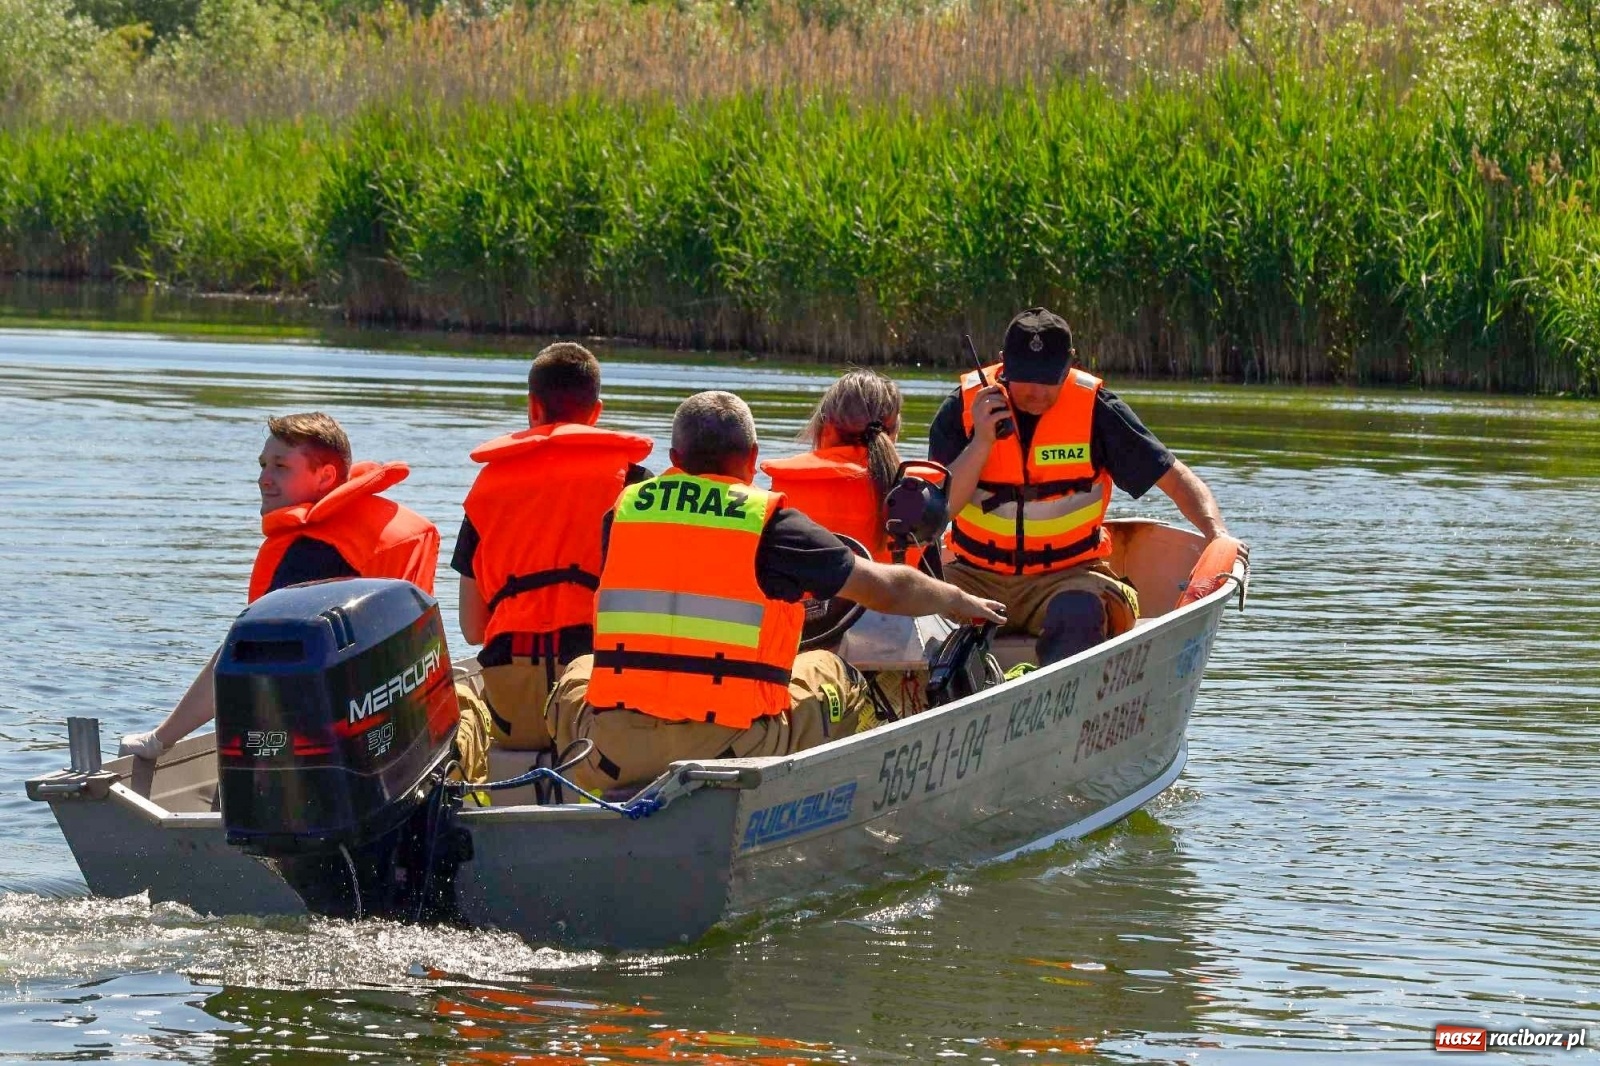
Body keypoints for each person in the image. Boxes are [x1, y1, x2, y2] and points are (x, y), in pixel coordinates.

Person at [545, 391, 1006, 793]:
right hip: (731, 751)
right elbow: (885, 589)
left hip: (615, 753)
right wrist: (958, 601)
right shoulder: (772, 526)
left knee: (579, 670)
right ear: (751, 458)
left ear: (675, 457)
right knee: (831, 669)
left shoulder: (624, 514)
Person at [120, 412, 490, 783]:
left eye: (281, 466)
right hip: (399, 733)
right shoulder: (387, 525)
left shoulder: (310, 553)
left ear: (326, 477)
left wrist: (160, 739)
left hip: (324, 754)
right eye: (264, 464)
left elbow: (242, 663)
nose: (264, 478)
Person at [929, 308, 1237, 665]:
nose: (1036, 391)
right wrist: (981, 442)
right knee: (921, 610)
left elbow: (1174, 476)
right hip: (974, 575)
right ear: (1002, 365)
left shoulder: (1098, 410)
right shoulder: (961, 408)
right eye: (1025, 378)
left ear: (1070, 365)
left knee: (1079, 613)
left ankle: (1063, 707)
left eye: (1049, 379)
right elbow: (939, 509)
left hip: (1067, 578)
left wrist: (1217, 535)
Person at [453, 343, 653, 751]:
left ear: (533, 407)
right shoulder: (636, 484)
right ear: (596, 413)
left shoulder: (486, 489)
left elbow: (473, 630)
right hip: (598, 701)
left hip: (512, 707)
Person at [759, 368, 924, 565]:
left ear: (827, 429)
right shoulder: (922, 497)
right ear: (893, 435)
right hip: (884, 595)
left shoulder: (778, 495)